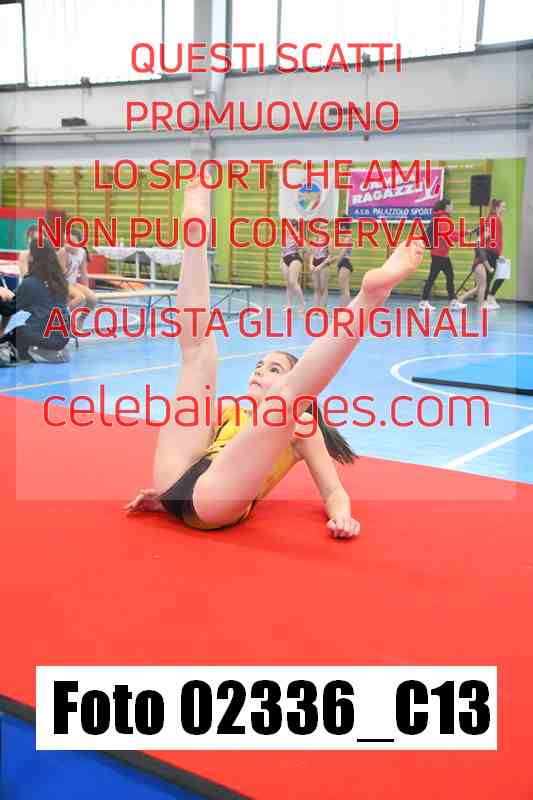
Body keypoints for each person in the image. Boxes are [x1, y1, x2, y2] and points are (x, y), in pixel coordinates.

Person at [125, 180, 425, 537]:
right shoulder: (231, 411)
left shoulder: (302, 428)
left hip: (214, 502)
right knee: (197, 352)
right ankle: (195, 238)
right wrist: (166, 499)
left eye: (272, 369)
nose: (258, 372)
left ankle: (369, 299)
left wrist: (342, 516)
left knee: (287, 399)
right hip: (174, 482)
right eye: (258, 366)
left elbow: (333, 491)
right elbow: (199, 450)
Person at [0, 239, 71, 363]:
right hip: (62, 337)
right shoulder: (60, 281)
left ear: (32, 257)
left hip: (43, 337)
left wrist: (3, 296)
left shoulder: (31, 282)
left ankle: (21, 354)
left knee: (18, 332)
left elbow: (9, 310)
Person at [419, 198, 466, 312]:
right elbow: (450, 236)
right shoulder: (444, 218)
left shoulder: (441, 218)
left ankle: (452, 302)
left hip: (441, 254)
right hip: (439, 254)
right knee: (433, 278)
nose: (453, 207)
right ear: (447, 206)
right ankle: (424, 302)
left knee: (449, 276)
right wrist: (461, 236)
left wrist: (464, 232)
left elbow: (450, 233)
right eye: (452, 205)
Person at [471, 199, 506, 309]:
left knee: (494, 276)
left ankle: (488, 298)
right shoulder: (493, 218)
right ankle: (485, 301)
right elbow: (488, 232)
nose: (504, 209)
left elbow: (498, 238)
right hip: (490, 250)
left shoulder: (497, 218)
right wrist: (480, 240)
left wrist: (500, 253)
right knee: (488, 278)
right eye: (503, 207)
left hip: (495, 251)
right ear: (497, 208)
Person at [64, 227, 97, 330]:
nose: (68, 245)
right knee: (79, 297)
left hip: (72, 283)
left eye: (72, 242)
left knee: (93, 299)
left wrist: (86, 288)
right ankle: (60, 317)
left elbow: (83, 272)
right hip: (62, 282)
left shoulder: (82, 252)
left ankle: (80, 319)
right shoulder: (63, 252)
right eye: (66, 242)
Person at [280, 219, 306, 315]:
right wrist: (281, 260)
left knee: (293, 282)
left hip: (294, 258)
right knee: (288, 283)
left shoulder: (298, 236)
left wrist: (303, 256)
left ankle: (303, 303)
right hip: (285, 259)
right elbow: (283, 250)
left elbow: (305, 249)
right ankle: (288, 304)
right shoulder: (285, 236)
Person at [457, 244, 495, 309]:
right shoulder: (480, 243)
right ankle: (481, 305)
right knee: (483, 286)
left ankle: (460, 299)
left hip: (478, 265)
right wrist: (489, 269)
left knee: (478, 288)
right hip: (479, 265)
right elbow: (483, 258)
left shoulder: (482, 243)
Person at [335, 219, 355, 306]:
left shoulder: (348, 237)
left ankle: (344, 309)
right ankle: (344, 308)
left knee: (344, 290)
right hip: (343, 262)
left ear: (343, 227)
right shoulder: (344, 237)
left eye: (340, 227)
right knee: (344, 290)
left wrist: (337, 262)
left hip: (345, 263)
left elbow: (343, 251)